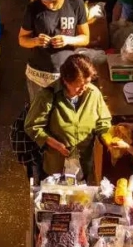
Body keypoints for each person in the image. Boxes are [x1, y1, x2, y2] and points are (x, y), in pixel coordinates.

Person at [24, 54, 112, 184]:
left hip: (84, 162)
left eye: (87, 83)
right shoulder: (47, 96)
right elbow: (32, 127)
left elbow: (103, 121)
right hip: (56, 164)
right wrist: (56, 144)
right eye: (79, 85)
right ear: (66, 81)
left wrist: (107, 138)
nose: (84, 88)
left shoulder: (93, 94)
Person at [19, 0, 90, 101]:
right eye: (45, 2)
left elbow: (85, 38)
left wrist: (68, 40)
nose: (50, 6)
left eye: (54, 1)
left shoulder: (76, 4)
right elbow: (22, 39)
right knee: (39, 116)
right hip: (38, 75)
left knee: (64, 114)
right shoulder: (33, 9)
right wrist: (35, 41)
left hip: (66, 74)